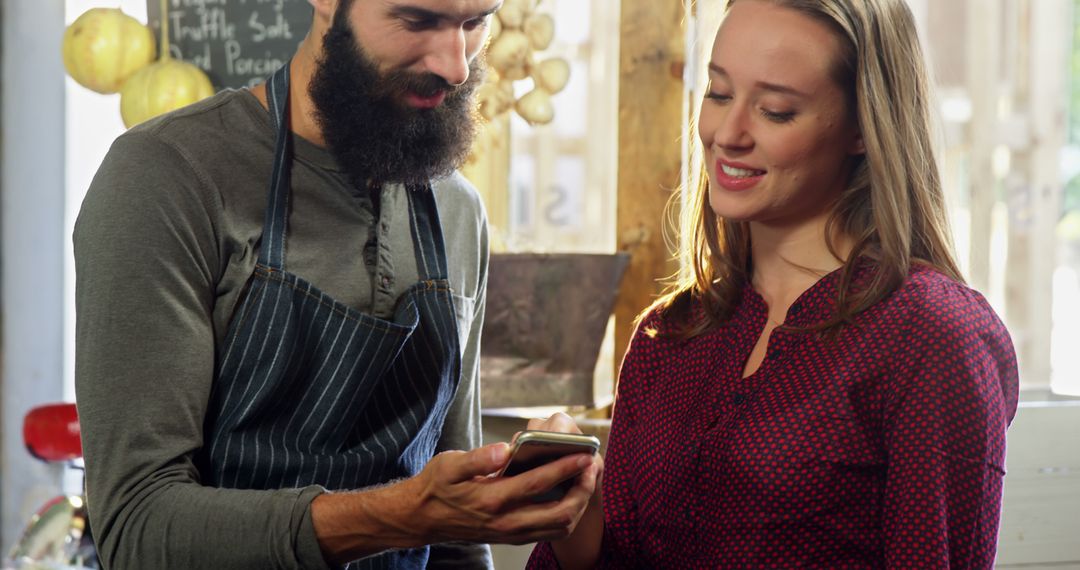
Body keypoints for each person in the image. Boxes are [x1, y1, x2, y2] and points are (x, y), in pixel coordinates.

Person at [73, 0, 600, 568]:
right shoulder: (168, 178)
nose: (456, 66)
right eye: (418, 21)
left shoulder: (457, 212)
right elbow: (137, 529)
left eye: (474, 24)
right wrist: (402, 515)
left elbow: (459, 537)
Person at [528, 0, 1020, 568]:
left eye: (777, 110)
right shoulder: (669, 333)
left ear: (863, 127)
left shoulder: (934, 336)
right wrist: (574, 507)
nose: (728, 133)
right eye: (717, 93)